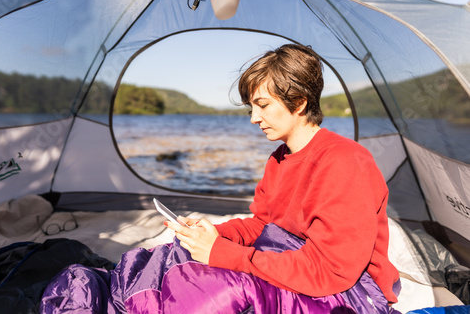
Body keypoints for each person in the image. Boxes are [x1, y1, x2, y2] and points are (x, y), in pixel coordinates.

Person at [165, 43, 400, 307]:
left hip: (351, 290)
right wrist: (214, 235)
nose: (254, 118)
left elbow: (331, 270)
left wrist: (225, 254)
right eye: (251, 107)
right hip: (293, 261)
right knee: (177, 260)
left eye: (263, 105)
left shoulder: (345, 161)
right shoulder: (279, 157)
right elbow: (264, 225)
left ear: (299, 102)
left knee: (215, 295)